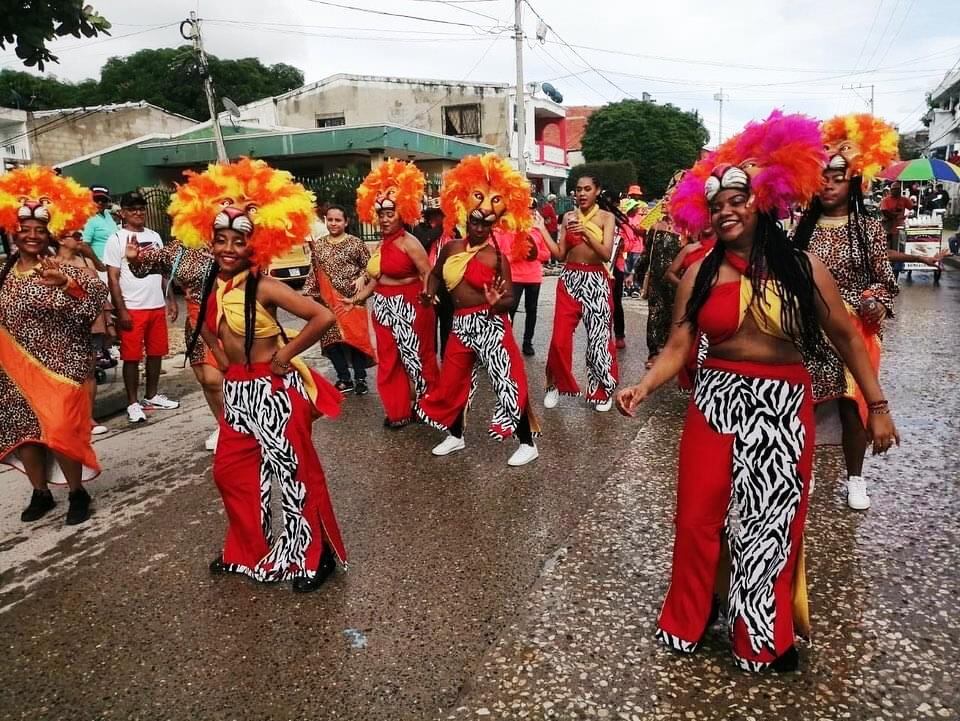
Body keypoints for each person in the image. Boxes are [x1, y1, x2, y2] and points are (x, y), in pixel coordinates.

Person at [617, 111, 899, 672]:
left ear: (764, 201)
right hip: (716, 400)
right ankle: (690, 619)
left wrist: (878, 406)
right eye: (716, 201)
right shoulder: (700, 272)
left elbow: (844, 334)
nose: (725, 208)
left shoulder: (802, 266)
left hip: (780, 404)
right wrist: (644, 384)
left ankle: (761, 637)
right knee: (698, 515)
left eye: (738, 197)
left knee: (769, 523)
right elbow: (678, 345)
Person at [172, 157, 347, 592]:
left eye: (239, 239)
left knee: (293, 474)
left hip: (273, 391)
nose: (229, 247)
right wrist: (222, 359)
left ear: (255, 244)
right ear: (210, 241)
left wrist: (284, 355)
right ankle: (248, 550)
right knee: (231, 472)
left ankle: (315, 555)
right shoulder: (214, 283)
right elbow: (209, 328)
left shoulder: (264, 285)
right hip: (238, 392)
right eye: (221, 239)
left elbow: (322, 316)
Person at [793, 114, 902, 510]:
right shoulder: (801, 230)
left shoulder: (868, 227)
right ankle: (803, 473)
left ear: (853, 179)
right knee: (805, 404)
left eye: (838, 175)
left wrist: (874, 300)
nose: (829, 182)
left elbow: (887, 281)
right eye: (823, 175)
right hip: (810, 329)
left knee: (853, 405)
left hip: (856, 329)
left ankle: (855, 478)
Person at [0, 166, 108, 526]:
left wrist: (64, 283)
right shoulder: (5, 271)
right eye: (25, 229)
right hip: (14, 372)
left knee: (61, 430)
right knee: (25, 432)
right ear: (13, 232)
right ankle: (40, 492)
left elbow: (94, 299)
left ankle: (77, 492)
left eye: (39, 229)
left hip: (60, 368)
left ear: (50, 232)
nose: (31, 236)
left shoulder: (63, 267)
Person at [418, 153, 541, 466]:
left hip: (491, 324)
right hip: (460, 325)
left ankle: (527, 442)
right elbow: (434, 275)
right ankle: (455, 436)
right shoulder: (451, 248)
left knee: (507, 380)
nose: (479, 225)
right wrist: (429, 294)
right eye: (475, 220)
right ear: (466, 218)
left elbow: (510, 298)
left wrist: (496, 301)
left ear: (494, 224)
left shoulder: (496, 257)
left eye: (486, 222)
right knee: (453, 381)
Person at [348, 160, 439, 428]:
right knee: (389, 361)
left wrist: (426, 296)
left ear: (403, 213)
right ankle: (398, 411)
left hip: (412, 306)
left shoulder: (409, 243)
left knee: (417, 358)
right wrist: (358, 298)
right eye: (381, 213)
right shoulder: (381, 243)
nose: (385, 219)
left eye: (391, 213)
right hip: (385, 308)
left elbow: (428, 274)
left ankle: (427, 407)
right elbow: (379, 278)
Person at [125, 237, 222, 451]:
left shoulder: (230, 239)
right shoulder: (179, 247)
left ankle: (240, 425)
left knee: (221, 379)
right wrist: (134, 260)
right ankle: (223, 424)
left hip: (229, 317)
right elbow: (145, 268)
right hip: (196, 321)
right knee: (206, 380)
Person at [543, 173, 619, 412]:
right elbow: (559, 254)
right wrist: (541, 230)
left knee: (599, 339)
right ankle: (554, 385)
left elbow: (606, 254)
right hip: (570, 278)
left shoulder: (607, 218)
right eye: (578, 189)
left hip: (596, 279)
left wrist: (585, 231)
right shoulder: (567, 217)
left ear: (597, 191)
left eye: (587, 189)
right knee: (559, 338)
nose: (582, 193)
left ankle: (602, 389)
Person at [103, 191, 180, 424]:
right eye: (132, 208)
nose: (138, 212)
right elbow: (113, 278)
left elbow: (163, 270)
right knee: (132, 357)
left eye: (141, 207)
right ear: (123, 213)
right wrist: (122, 310)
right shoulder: (116, 239)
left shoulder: (155, 236)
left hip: (156, 305)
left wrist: (171, 299)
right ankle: (133, 402)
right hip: (133, 308)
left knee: (157, 353)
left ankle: (152, 395)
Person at [303, 204, 376, 395]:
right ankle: (344, 378)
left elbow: (370, 267)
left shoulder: (355, 243)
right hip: (326, 303)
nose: (334, 223)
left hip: (353, 300)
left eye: (338, 220)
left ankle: (360, 379)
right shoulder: (318, 245)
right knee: (331, 341)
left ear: (346, 222)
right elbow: (314, 272)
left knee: (355, 340)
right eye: (330, 220)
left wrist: (362, 277)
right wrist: (311, 296)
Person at [55, 230, 113, 436]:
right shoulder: (50, 263)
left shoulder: (85, 261)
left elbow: (101, 286)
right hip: (64, 326)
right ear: (61, 239)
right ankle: (70, 419)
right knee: (67, 373)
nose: (80, 238)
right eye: (75, 235)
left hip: (90, 323)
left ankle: (88, 418)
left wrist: (108, 322)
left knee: (89, 370)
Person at [494, 197, 551, 356]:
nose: (529, 212)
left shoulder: (538, 230)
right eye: (526, 208)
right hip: (515, 276)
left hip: (534, 277)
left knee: (531, 310)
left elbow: (547, 253)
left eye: (532, 209)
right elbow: (502, 255)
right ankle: (505, 342)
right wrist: (517, 254)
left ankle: (527, 342)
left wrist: (534, 254)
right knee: (510, 309)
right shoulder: (508, 229)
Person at [642, 209, 684, 368]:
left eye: (669, 198)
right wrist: (638, 273)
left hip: (676, 279)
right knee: (654, 313)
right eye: (664, 197)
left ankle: (670, 351)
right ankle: (653, 352)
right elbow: (647, 253)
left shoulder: (684, 228)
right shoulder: (655, 225)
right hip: (656, 278)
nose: (665, 200)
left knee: (673, 313)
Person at [81, 185, 118, 261]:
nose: (100, 202)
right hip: (101, 262)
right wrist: (99, 264)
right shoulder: (88, 217)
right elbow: (84, 245)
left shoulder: (106, 214)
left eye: (103, 199)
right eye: (96, 199)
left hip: (114, 261)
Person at [880, 182, 913, 249]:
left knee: (899, 245)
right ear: (891, 190)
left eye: (898, 189)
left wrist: (906, 214)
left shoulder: (904, 199)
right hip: (888, 226)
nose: (896, 191)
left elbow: (911, 208)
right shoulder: (886, 200)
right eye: (894, 189)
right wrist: (894, 216)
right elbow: (884, 211)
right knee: (887, 246)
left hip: (899, 226)